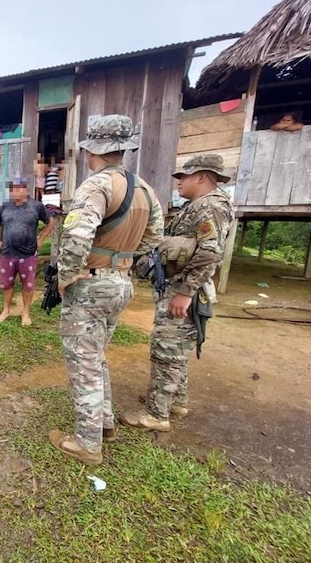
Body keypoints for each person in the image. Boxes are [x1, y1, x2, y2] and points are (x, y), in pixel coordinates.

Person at [48, 114, 163, 465]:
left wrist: (66, 275)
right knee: (96, 356)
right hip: (121, 283)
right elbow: (155, 236)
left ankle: (87, 442)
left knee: (83, 361)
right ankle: (106, 424)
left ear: (91, 151)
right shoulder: (144, 189)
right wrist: (123, 260)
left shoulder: (96, 186)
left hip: (91, 283)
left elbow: (79, 234)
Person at [121, 153, 233, 432]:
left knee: (166, 351)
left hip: (184, 291)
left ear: (201, 177)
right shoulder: (196, 206)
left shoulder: (210, 208)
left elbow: (210, 253)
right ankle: (175, 401)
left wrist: (186, 292)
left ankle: (156, 415)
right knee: (176, 350)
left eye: (183, 177)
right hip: (180, 287)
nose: (179, 182)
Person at [0, 177, 55, 326]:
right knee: (6, 284)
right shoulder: (4, 207)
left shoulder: (36, 206)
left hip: (28, 255)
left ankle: (25, 313)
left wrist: (40, 239)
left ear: (25, 189)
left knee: (28, 285)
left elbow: (50, 222)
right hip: (7, 254)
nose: (16, 191)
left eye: (19, 188)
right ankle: (6, 310)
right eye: (13, 188)